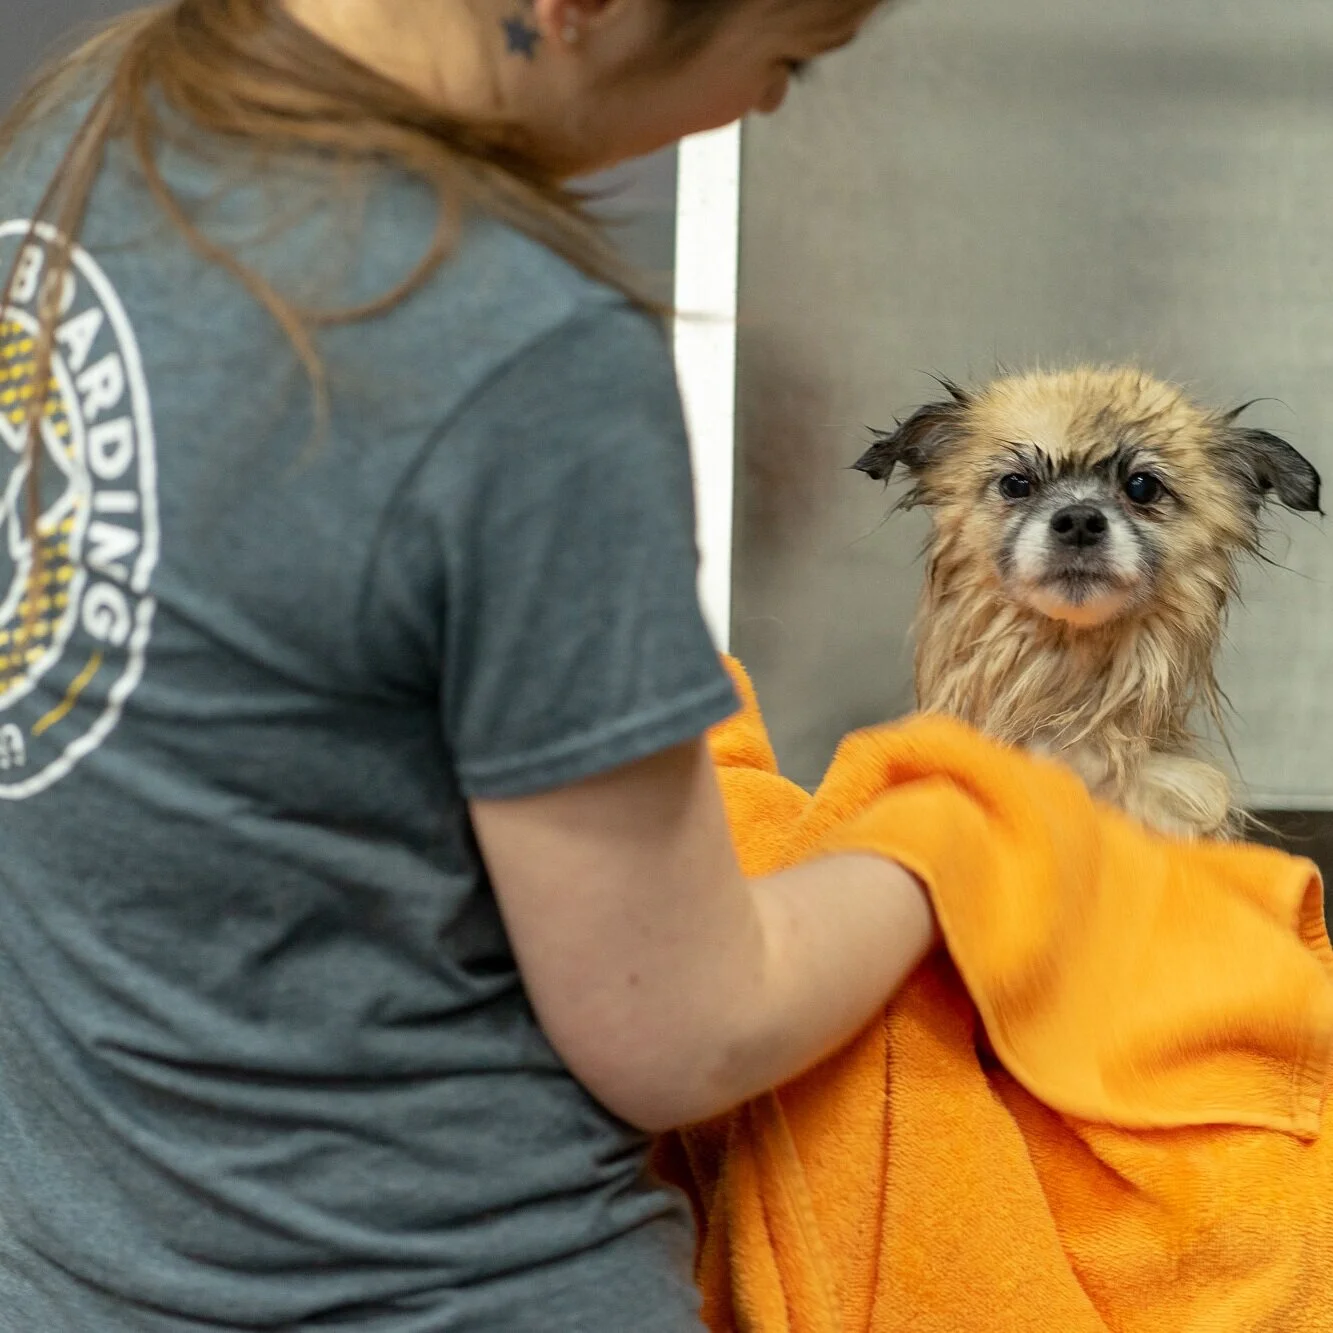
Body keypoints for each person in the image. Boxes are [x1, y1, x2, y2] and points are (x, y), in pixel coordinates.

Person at [0, 0, 936, 1328]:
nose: (770, 105)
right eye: (786, 58)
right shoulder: (521, 352)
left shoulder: (95, 124)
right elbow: (687, 1030)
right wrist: (950, 847)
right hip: (446, 1286)